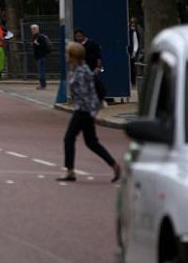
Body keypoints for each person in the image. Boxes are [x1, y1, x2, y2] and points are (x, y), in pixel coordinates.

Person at [57, 41, 120, 182]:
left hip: (82, 111)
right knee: (91, 142)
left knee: (69, 138)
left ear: (74, 55)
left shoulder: (81, 71)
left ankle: (70, 171)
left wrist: (93, 113)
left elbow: (87, 94)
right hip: (82, 109)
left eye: (68, 53)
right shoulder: (75, 68)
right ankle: (114, 165)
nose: (65, 56)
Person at [31, 24, 51, 89]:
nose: (33, 31)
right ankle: (42, 84)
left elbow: (40, 46)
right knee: (41, 70)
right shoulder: (38, 36)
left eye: (34, 29)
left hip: (41, 56)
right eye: (32, 29)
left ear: (37, 29)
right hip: (41, 55)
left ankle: (42, 85)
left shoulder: (39, 37)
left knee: (41, 71)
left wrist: (35, 44)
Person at [127, 17, 143, 86]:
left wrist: (134, 52)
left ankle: (133, 82)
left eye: (134, 23)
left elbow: (136, 43)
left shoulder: (134, 32)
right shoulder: (128, 32)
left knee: (132, 67)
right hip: (128, 51)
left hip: (131, 52)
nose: (132, 25)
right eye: (131, 23)